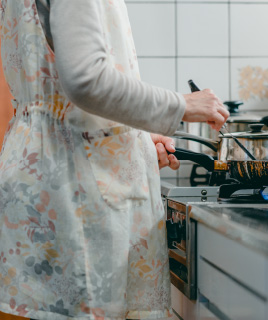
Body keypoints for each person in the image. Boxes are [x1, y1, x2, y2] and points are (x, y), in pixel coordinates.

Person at [0, 0, 229, 319]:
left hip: (47, 175)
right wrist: (181, 105)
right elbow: (86, 80)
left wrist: (133, 143)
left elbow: (61, 99)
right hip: (73, 194)